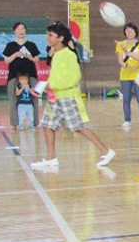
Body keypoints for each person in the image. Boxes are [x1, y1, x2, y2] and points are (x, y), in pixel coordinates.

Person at [31, 22, 115, 169]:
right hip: (55, 97)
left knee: (78, 127)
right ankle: (51, 158)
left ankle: (106, 150)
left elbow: (75, 77)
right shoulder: (56, 55)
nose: (47, 38)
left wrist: (55, 85)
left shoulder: (69, 55)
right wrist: (46, 87)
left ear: (60, 38)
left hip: (68, 97)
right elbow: (55, 76)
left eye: (51, 35)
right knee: (47, 125)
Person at [3, 22, 41, 130]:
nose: (21, 31)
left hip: (31, 75)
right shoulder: (10, 45)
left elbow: (37, 59)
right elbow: (6, 61)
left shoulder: (32, 45)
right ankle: (15, 123)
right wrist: (15, 55)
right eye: (18, 29)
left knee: (34, 98)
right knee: (13, 98)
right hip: (14, 76)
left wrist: (30, 57)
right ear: (14, 31)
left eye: (23, 28)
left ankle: (34, 122)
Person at [115, 23, 139, 128]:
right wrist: (125, 65)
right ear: (124, 32)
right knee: (126, 98)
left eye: (132, 30)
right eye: (127, 30)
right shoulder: (120, 44)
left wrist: (134, 68)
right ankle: (127, 120)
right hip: (125, 76)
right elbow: (120, 59)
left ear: (136, 32)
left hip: (138, 75)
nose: (129, 32)